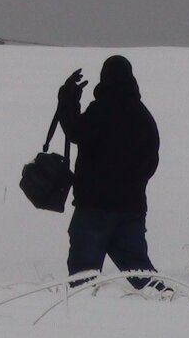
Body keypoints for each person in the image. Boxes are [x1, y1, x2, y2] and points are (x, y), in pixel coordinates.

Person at [56, 55, 167, 292]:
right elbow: (152, 162)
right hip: (131, 209)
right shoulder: (144, 117)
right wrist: (132, 184)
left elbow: (75, 131)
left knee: (82, 279)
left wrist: (68, 97)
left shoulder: (100, 110)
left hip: (93, 209)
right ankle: (173, 302)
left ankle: (76, 318)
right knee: (141, 273)